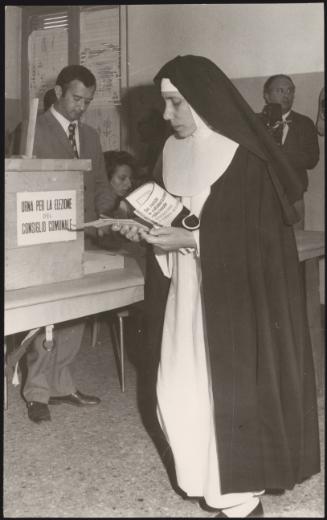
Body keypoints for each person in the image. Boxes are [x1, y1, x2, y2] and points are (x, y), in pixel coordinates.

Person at [110, 55, 320, 518]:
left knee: (221, 397)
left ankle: (240, 501)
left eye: (176, 105)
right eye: (166, 105)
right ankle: (209, 483)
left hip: (232, 304)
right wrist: (147, 233)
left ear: (204, 103)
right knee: (174, 392)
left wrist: (191, 238)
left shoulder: (244, 156)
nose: (167, 116)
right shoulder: (170, 150)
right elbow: (169, 216)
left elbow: (264, 238)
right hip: (183, 292)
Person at [16, 65, 114, 424]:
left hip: (83, 234)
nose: (81, 107)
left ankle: (62, 384)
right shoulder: (30, 131)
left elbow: (101, 182)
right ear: (58, 92)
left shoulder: (89, 135)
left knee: (77, 311)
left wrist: (105, 214)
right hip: (46, 236)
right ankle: (36, 391)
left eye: (87, 101)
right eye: (76, 99)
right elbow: (21, 188)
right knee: (48, 315)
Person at [261, 74, 319, 228]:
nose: (287, 95)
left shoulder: (305, 123)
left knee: (297, 242)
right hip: (262, 193)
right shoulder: (255, 123)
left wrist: (280, 157)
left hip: (294, 194)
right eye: (280, 90)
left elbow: (312, 159)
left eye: (290, 91)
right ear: (267, 95)